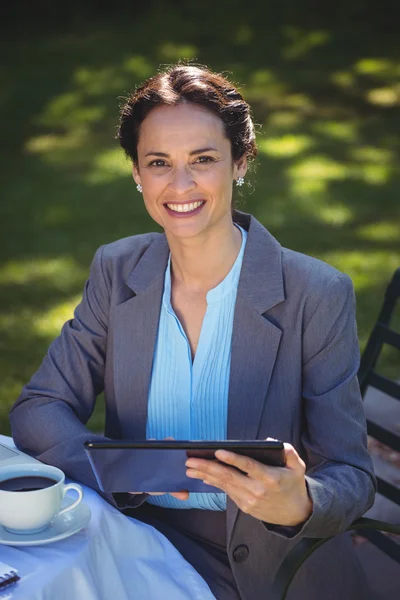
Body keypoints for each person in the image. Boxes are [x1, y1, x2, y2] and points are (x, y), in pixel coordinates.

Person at [10, 64, 376, 600]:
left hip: (273, 568)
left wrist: (301, 503)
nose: (180, 185)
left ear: (241, 162)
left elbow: (352, 476)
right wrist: (125, 470)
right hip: (134, 536)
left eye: (202, 160)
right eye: (159, 162)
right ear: (136, 171)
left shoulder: (315, 293)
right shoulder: (117, 271)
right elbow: (39, 406)